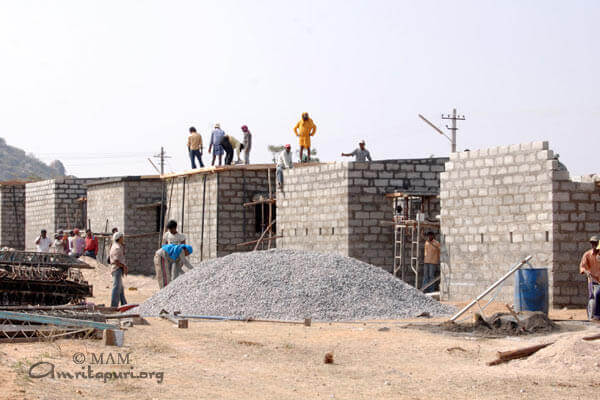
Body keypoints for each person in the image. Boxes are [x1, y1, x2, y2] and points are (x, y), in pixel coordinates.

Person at [580, 236, 600, 320]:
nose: (594, 245)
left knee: (598, 295)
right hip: (592, 280)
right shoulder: (587, 254)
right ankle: (591, 316)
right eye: (592, 243)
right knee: (593, 297)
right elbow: (582, 266)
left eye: (595, 243)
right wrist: (586, 271)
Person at [109, 232, 127, 307]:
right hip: (117, 269)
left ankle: (124, 304)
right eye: (122, 237)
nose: (123, 239)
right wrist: (123, 267)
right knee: (116, 287)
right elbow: (116, 261)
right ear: (119, 238)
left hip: (118, 268)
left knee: (120, 288)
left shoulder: (118, 246)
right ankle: (113, 305)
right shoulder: (116, 247)